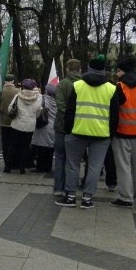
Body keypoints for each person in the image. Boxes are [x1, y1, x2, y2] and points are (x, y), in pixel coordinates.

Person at [56, 55, 121, 209]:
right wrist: (110, 134)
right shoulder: (112, 88)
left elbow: (70, 111)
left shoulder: (78, 85)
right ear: (104, 70)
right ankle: (87, 199)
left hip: (77, 131)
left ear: (88, 69)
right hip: (101, 134)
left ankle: (70, 197)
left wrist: (68, 130)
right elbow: (115, 115)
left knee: (72, 165)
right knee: (94, 167)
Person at [110, 56, 136, 207]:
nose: (117, 73)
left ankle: (126, 197)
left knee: (123, 166)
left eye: (118, 70)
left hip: (123, 132)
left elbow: (115, 110)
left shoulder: (120, 87)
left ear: (124, 71)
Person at [53, 59, 81, 195]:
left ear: (68, 68)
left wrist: (68, 116)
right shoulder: (84, 84)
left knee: (60, 157)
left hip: (61, 126)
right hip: (79, 126)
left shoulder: (63, 84)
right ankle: (71, 188)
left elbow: (60, 105)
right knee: (74, 160)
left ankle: (59, 188)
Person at [8, 78, 43, 173]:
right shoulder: (39, 97)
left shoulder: (18, 96)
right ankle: (22, 168)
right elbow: (38, 112)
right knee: (25, 147)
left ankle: (8, 167)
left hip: (17, 124)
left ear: (23, 86)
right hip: (29, 126)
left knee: (13, 146)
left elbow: (10, 108)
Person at [0, 73, 20, 173]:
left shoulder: (0, 92)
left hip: (3, 121)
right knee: (14, 144)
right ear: (13, 81)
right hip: (15, 121)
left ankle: (7, 165)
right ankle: (14, 163)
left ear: (4, 81)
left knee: (5, 143)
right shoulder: (18, 91)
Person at [31, 81, 57, 173]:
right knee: (50, 148)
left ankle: (40, 167)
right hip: (53, 126)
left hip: (43, 125)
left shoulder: (43, 99)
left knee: (41, 147)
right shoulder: (57, 101)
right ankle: (48, 167)